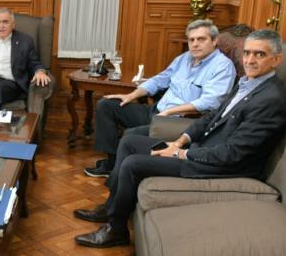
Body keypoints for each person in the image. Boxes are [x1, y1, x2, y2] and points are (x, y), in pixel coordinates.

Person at [74, 30, 286, 248]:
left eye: (259, 54)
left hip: (222, 166)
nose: (250, 60)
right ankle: (112, 207)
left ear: (277, 60)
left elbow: (233, 154)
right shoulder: (247, 83)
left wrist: (181, 153)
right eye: (247, 53)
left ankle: (116, 229)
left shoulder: (271, 99)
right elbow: (211, 118)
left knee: (133, 164)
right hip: (204, 148)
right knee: (130, 142)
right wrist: (180, 140)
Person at [84, 19, 236, 177]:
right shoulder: (184, 58)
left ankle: (120, 171)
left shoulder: (222, 66)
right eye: (191, 40)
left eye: (201, 39)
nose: (195, 44)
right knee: (107, 105)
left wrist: (170, 112)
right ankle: (112, 163)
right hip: (157, 111)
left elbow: (210, 102)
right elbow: (159, 80)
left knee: (132, 134)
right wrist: (131, 95)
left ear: (214, 41)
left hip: (179, 122)